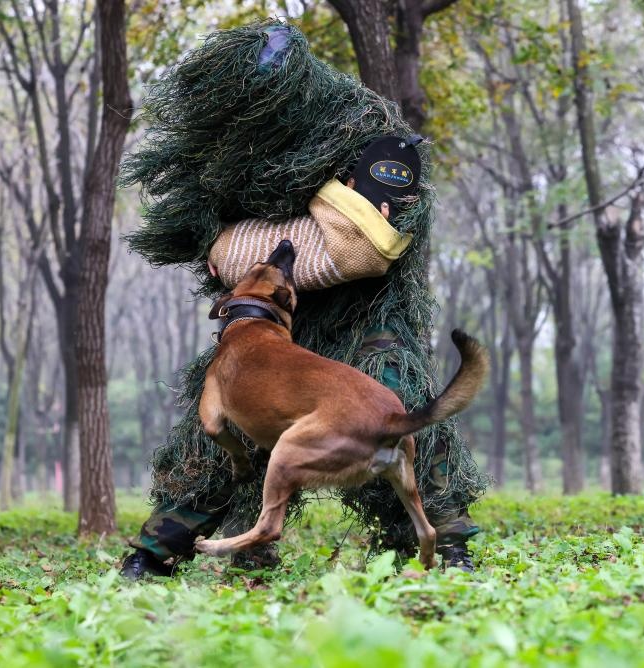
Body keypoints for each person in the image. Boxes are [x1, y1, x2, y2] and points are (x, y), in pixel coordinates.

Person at [119, 22, 488, 580]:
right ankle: (161, 549)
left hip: (364, 314)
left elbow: (369, 246)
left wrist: (252, 245)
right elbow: (208, 245)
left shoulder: (365, 131)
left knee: (396, 395)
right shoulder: (224, 152)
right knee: (215, 409)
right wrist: (260, 246)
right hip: (267, 323)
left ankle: (446, 540)